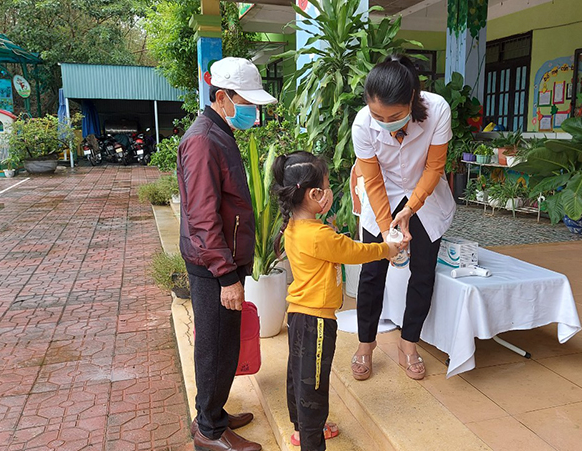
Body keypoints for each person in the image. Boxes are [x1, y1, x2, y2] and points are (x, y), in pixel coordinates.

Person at [178, 57, 277, 451]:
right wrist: (225, 276)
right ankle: (209, 431)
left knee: (223, 344)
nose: (252, 111)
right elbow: (203, 217)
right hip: (213, 265)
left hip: (220, 261)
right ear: (221, 97)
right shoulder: (203, 140)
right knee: (216, 347)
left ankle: (213, 412)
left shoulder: (218, 132)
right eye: (246, 101)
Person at [271, 152, 401, 451]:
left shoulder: (295, 226)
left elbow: (329, 246)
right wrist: (388, 249)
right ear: (316, 194)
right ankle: (311, 441)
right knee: (313, 385)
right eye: (328, 186)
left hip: (299, 316)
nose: (330, 191)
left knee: (299, 377)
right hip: (316, 321)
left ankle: (302, 429)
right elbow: (356, 251)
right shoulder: (319, 235)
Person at [350, 54, 455, 381]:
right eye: (377, 115)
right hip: (382, 196)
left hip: (425, 194)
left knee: (422, 273)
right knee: (372, 273)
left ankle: (408, 344)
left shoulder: (437, 110)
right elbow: (373, 180)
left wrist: (410, 209)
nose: (384, 122)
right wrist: (387, 232)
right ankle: (365, 345)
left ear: (411, 98)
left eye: (393, 116)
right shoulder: (361, 124)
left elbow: (435, 167)